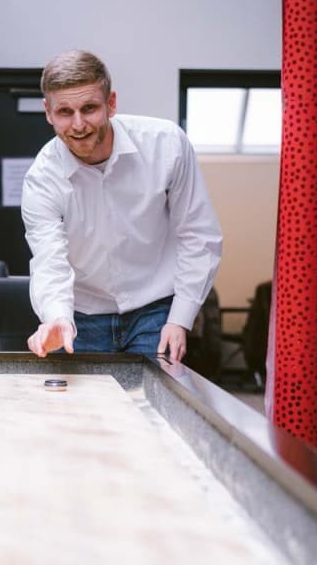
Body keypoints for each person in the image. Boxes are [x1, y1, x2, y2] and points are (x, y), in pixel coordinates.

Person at [21, 50, 222, 362]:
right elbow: (49, 261)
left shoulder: (166, 145)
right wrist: (57, 317)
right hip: (83, 317)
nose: (78, 125)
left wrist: (180, 318)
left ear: (111, 103)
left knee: (150, 409)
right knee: (88, 410)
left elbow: (197, 234)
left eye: (89, 108)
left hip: (155, 309)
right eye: (64, 112)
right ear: (48, 112)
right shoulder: (42, 178)